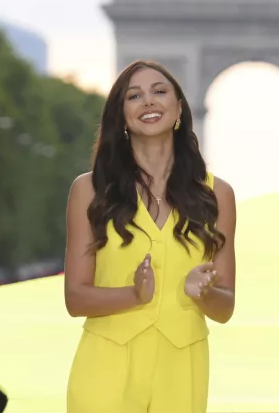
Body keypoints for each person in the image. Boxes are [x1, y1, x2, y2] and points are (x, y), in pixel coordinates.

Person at [64, 59, 237, 413]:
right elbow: (75, 298)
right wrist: (133, 294)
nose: (148, 101)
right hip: (106, 370)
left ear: (179, 108)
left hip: (182, 370)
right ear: (121, 115)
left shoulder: (218, 195)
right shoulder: (89, 190)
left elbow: (226, 307)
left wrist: (203, 293)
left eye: (159, 91)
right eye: (134, 96)